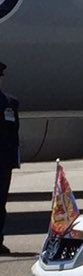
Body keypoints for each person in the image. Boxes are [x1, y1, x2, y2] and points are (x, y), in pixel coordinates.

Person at [0, 61, 20, 255]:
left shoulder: (10, 103)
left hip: (3, 162)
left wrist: (14, 160)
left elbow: (14, 134)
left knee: (0, 203)